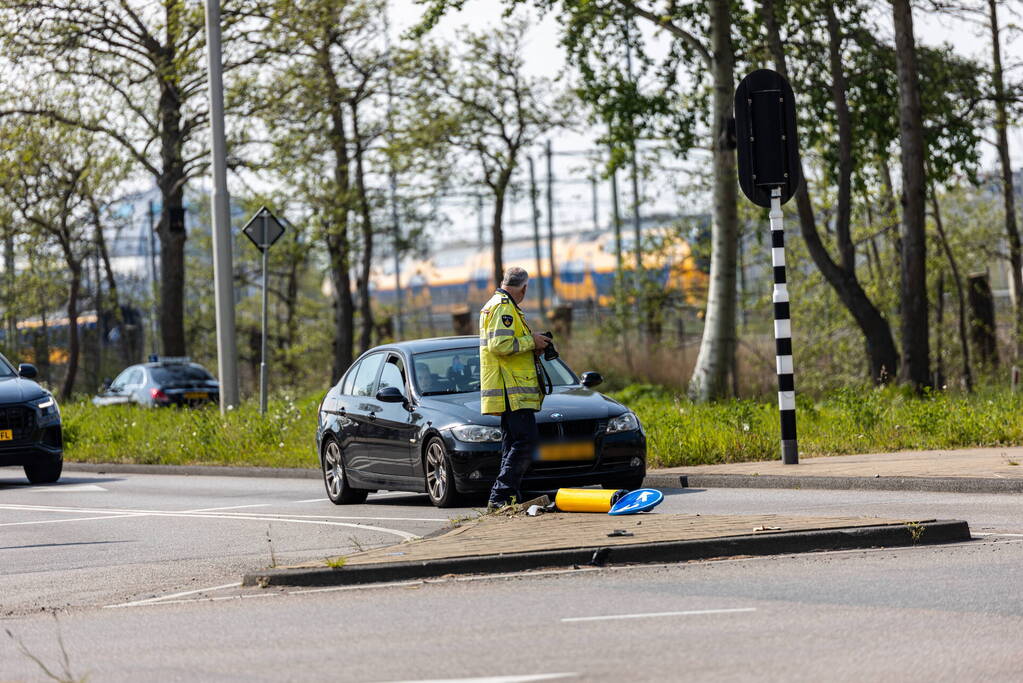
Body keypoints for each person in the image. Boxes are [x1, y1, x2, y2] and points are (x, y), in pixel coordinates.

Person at [478, 266, 551, 508]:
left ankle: (506, 497)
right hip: (512, 389)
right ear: (524, 288)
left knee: (512, 443)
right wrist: (532, 341)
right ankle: (500, 495)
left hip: (509, 388)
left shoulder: (498, 305)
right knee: (526, 441)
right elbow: (499, 345)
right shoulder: (504, 307)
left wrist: (534, 345)